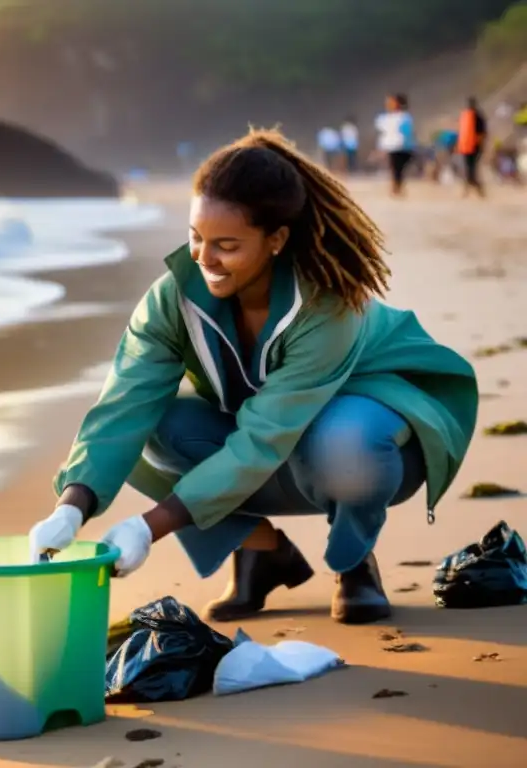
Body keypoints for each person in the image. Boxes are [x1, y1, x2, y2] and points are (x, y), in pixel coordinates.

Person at [29, 129, 478, 625]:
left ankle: (354, 562)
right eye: (195, 238)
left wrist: (147, 528)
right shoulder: (172, 299)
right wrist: (72, 506)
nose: (203, 259)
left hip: (376, 440)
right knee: (156, 426)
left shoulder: (327, 305)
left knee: (345, 442)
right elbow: (124, 404)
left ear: (276, 241)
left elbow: (264, 439)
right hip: (280, 440)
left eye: (226, 245)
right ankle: (259, 550)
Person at [374, 94, 417, 196]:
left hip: (404, 146)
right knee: (396, 168)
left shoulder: (404, 117)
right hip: (394, 146)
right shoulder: (387, 118)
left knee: (398, 168)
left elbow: (408, 132)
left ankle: (397, 186)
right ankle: (396, 187)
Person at [457, 97, 488, 198]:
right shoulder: (470, 116)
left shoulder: (474, 117)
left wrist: (480, 145)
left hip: (472, 147)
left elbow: (481, 134)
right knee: (470, 169)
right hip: (468, 147)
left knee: (471, 169)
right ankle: (474, 190)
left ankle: (474, 190)